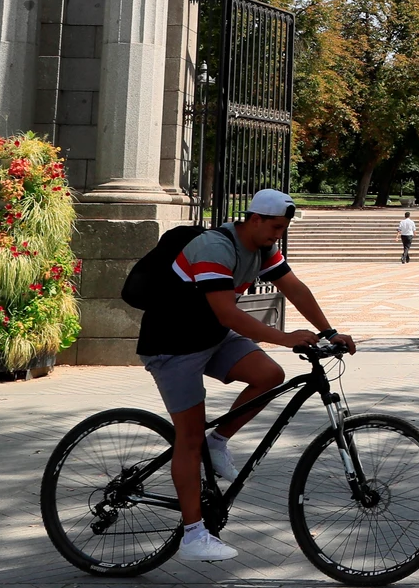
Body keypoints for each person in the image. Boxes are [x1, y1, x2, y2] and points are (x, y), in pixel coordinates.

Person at [135, 188, 359, 562]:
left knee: (269, 374)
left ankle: (218, 441)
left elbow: (294, 288)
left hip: (211, 337)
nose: (278, 236)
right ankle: (193, 535)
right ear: (253, 219)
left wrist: (328, 331)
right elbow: (229, 314)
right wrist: (285, 337)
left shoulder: (263, 248)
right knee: (188, 438)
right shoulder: (215, 248)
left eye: (283, 229)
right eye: (274, 228)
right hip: (172, 345)